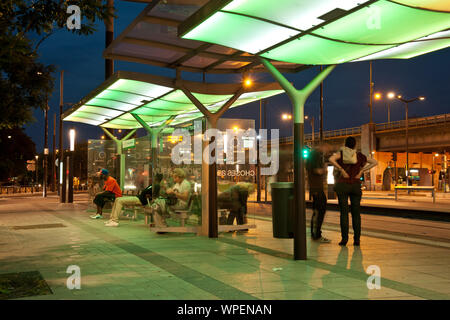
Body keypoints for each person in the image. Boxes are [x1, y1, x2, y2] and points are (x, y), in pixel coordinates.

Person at [329, 137, 377, 246]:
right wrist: (361, 171)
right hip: (355, 185)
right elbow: (374, 162)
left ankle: (344, 239)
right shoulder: (359, 156)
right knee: (356, 213)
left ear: (345, 144)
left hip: (343, 185)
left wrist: (341, 169)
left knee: (344, 213)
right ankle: (357, 240)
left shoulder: (341, 154)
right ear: (355, 145)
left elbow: (331, 159)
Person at [306, 142, 333, 243]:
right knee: (319, 211)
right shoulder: (315, 155)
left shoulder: (312, 155)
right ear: (323, 146)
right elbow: (317, 170)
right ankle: (316, 235)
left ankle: (315, 234)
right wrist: (325, 169)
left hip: (315, 187)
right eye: (328, 148)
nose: (328, 151)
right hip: (316, 187)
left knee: (317, 211)